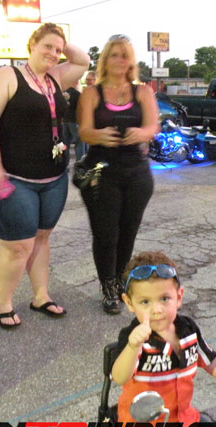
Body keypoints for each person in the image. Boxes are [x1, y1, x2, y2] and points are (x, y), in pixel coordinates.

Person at [0, 23, 89, 328]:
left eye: (58, 50)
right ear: (31, 45)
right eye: (47, 47)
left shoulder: (56, 77)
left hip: (52, 178)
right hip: (12, 176)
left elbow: (83, 61)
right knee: (17, 246)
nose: (53, 54)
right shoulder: (8, 75)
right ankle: (4, 303)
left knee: (41, 238)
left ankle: (41, 296)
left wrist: (60, 41)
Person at [112, 251, 216, 427]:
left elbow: (211, 362)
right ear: (129, 303)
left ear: (179, 297)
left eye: (164, 298)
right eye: (145, 302)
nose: (157, 309)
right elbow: (120, 376)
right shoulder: (132, 338)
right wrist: (133, 347)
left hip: (185, 419)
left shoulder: (188, 330)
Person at [77, 34, 159, 314]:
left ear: (131, 61)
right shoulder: (92, 93)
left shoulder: (143, 92)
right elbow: (84, 131)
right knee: (106, 234)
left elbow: (153, 126)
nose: (120, 60)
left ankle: (121, 280)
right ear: (105, 60)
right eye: (114, 55)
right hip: (102, 171)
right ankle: (108, 285)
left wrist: (142, 133)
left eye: (125, 55)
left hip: (136, 172)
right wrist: (99, 135)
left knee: (128, 232)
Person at [62, 80, 85, 161]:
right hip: (74, 120)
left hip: (64, 120)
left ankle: (65, 162)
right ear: (75, 83)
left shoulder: (62, 93)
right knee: (79, 142)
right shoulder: (77, 94)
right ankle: (79, 161)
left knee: (65, 143)